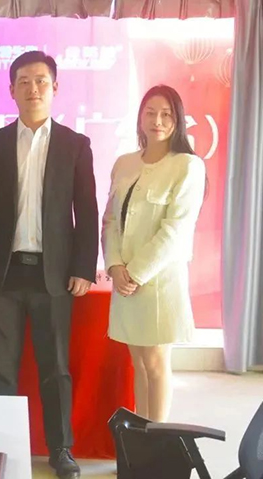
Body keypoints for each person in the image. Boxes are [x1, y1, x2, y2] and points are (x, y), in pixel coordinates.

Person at [0, 51, 98, 479]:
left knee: (55, 368)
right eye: (24, 81)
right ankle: (2, 442)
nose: (33, 89)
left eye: (41, 81)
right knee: (1, 369)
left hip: (55, 274)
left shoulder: (75, 145)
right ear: (11, 90)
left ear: (55, 88)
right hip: (3, 272)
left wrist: (83, 266)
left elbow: (86, 209)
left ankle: (60, 449)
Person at [102, 84, 206, 423]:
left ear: (177, 120)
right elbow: (110, 221)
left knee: (157, 365)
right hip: (125, 283)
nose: (157, 121)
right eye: (150, 113)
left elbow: (176, 230)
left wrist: (134, 273)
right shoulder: (124, 163)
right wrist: (115, 266)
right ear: (140, 117)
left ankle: (156, 442)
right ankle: (141, 437)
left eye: (166, 114)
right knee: (140, 365)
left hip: (159, 283)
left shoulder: (187, 166)